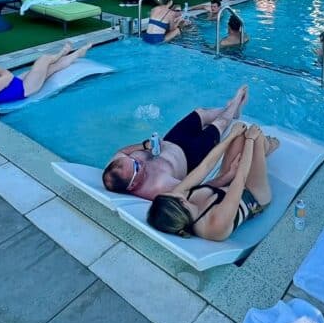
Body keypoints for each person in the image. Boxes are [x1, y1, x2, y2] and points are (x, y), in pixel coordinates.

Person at [103, 85, 249, 200]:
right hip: (192, 155)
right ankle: (235, 104)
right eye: (136, 166)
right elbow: (195, 190)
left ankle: (232, 111)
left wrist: (143, 146)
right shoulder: (158, 188)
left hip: (171, 140)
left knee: (201, 112)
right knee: (220, 123)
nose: (139, 162)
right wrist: (228, 176)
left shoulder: (117, 167)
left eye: (133, 159)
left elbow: (121, 152)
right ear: (133, 185)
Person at [148, 122, 278, 241]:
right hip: (252, 194)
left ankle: (259, 151)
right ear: (182, 203)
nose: (175, 191)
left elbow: (205, 166)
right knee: (257, 138)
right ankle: (266, 147)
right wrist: (250, 140)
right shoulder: (215, 225)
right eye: (173, 195)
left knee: (240, 135)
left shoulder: (179, 201)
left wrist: (231, 136)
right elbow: (241, 178)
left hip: (227, 181)